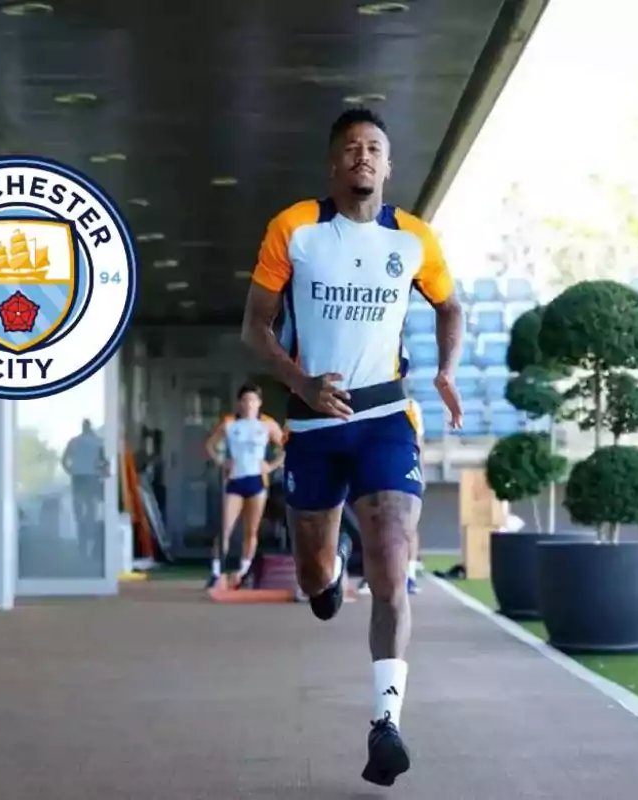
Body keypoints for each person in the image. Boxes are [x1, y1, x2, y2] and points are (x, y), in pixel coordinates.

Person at [240, 107, 464, 787]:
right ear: (334, 164)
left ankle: (385, 724)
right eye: (351, 149)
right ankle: (327, 576)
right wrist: (298, 380)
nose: (363, 157)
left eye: (375, 149)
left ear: (388, 166)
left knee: (393, 564)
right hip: (312, 425)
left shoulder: (415, 240)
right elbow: (255, 325)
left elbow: (450, 306)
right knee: (312, 575)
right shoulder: (295, 229)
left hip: (385, 418)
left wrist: (445, 370)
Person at [203, 384, 285, 589]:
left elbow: (287, 447)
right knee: (225, 529)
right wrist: (222, 462)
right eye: (245, 400)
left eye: (253, 400)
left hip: (257, 482)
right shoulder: (230, 423)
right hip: (235, 481)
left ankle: (243, 570)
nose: (249, 404)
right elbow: (210, 446)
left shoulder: (267, 424)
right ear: (240, 403)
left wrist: (271, 465)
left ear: (259, 403)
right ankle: (216, 571)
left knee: (252, 530)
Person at [358, 392, 424, 597]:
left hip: (404, 464)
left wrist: (421, 471)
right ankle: (372, 576)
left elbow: (419, 442)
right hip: (373, 463)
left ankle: (410, 576)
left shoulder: (411, 406)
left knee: (407, 525)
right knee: (371, 522)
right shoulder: (367, 399)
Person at [60, 419, 109, 558]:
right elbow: (105, 461)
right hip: (92, 478)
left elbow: (64, 461)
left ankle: (82, 545)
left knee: (79, 513)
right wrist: (102, 472)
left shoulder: (74, 442)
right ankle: (90, 543)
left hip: (78, 478)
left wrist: (71, 470)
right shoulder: (99, 441)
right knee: (91, 513)